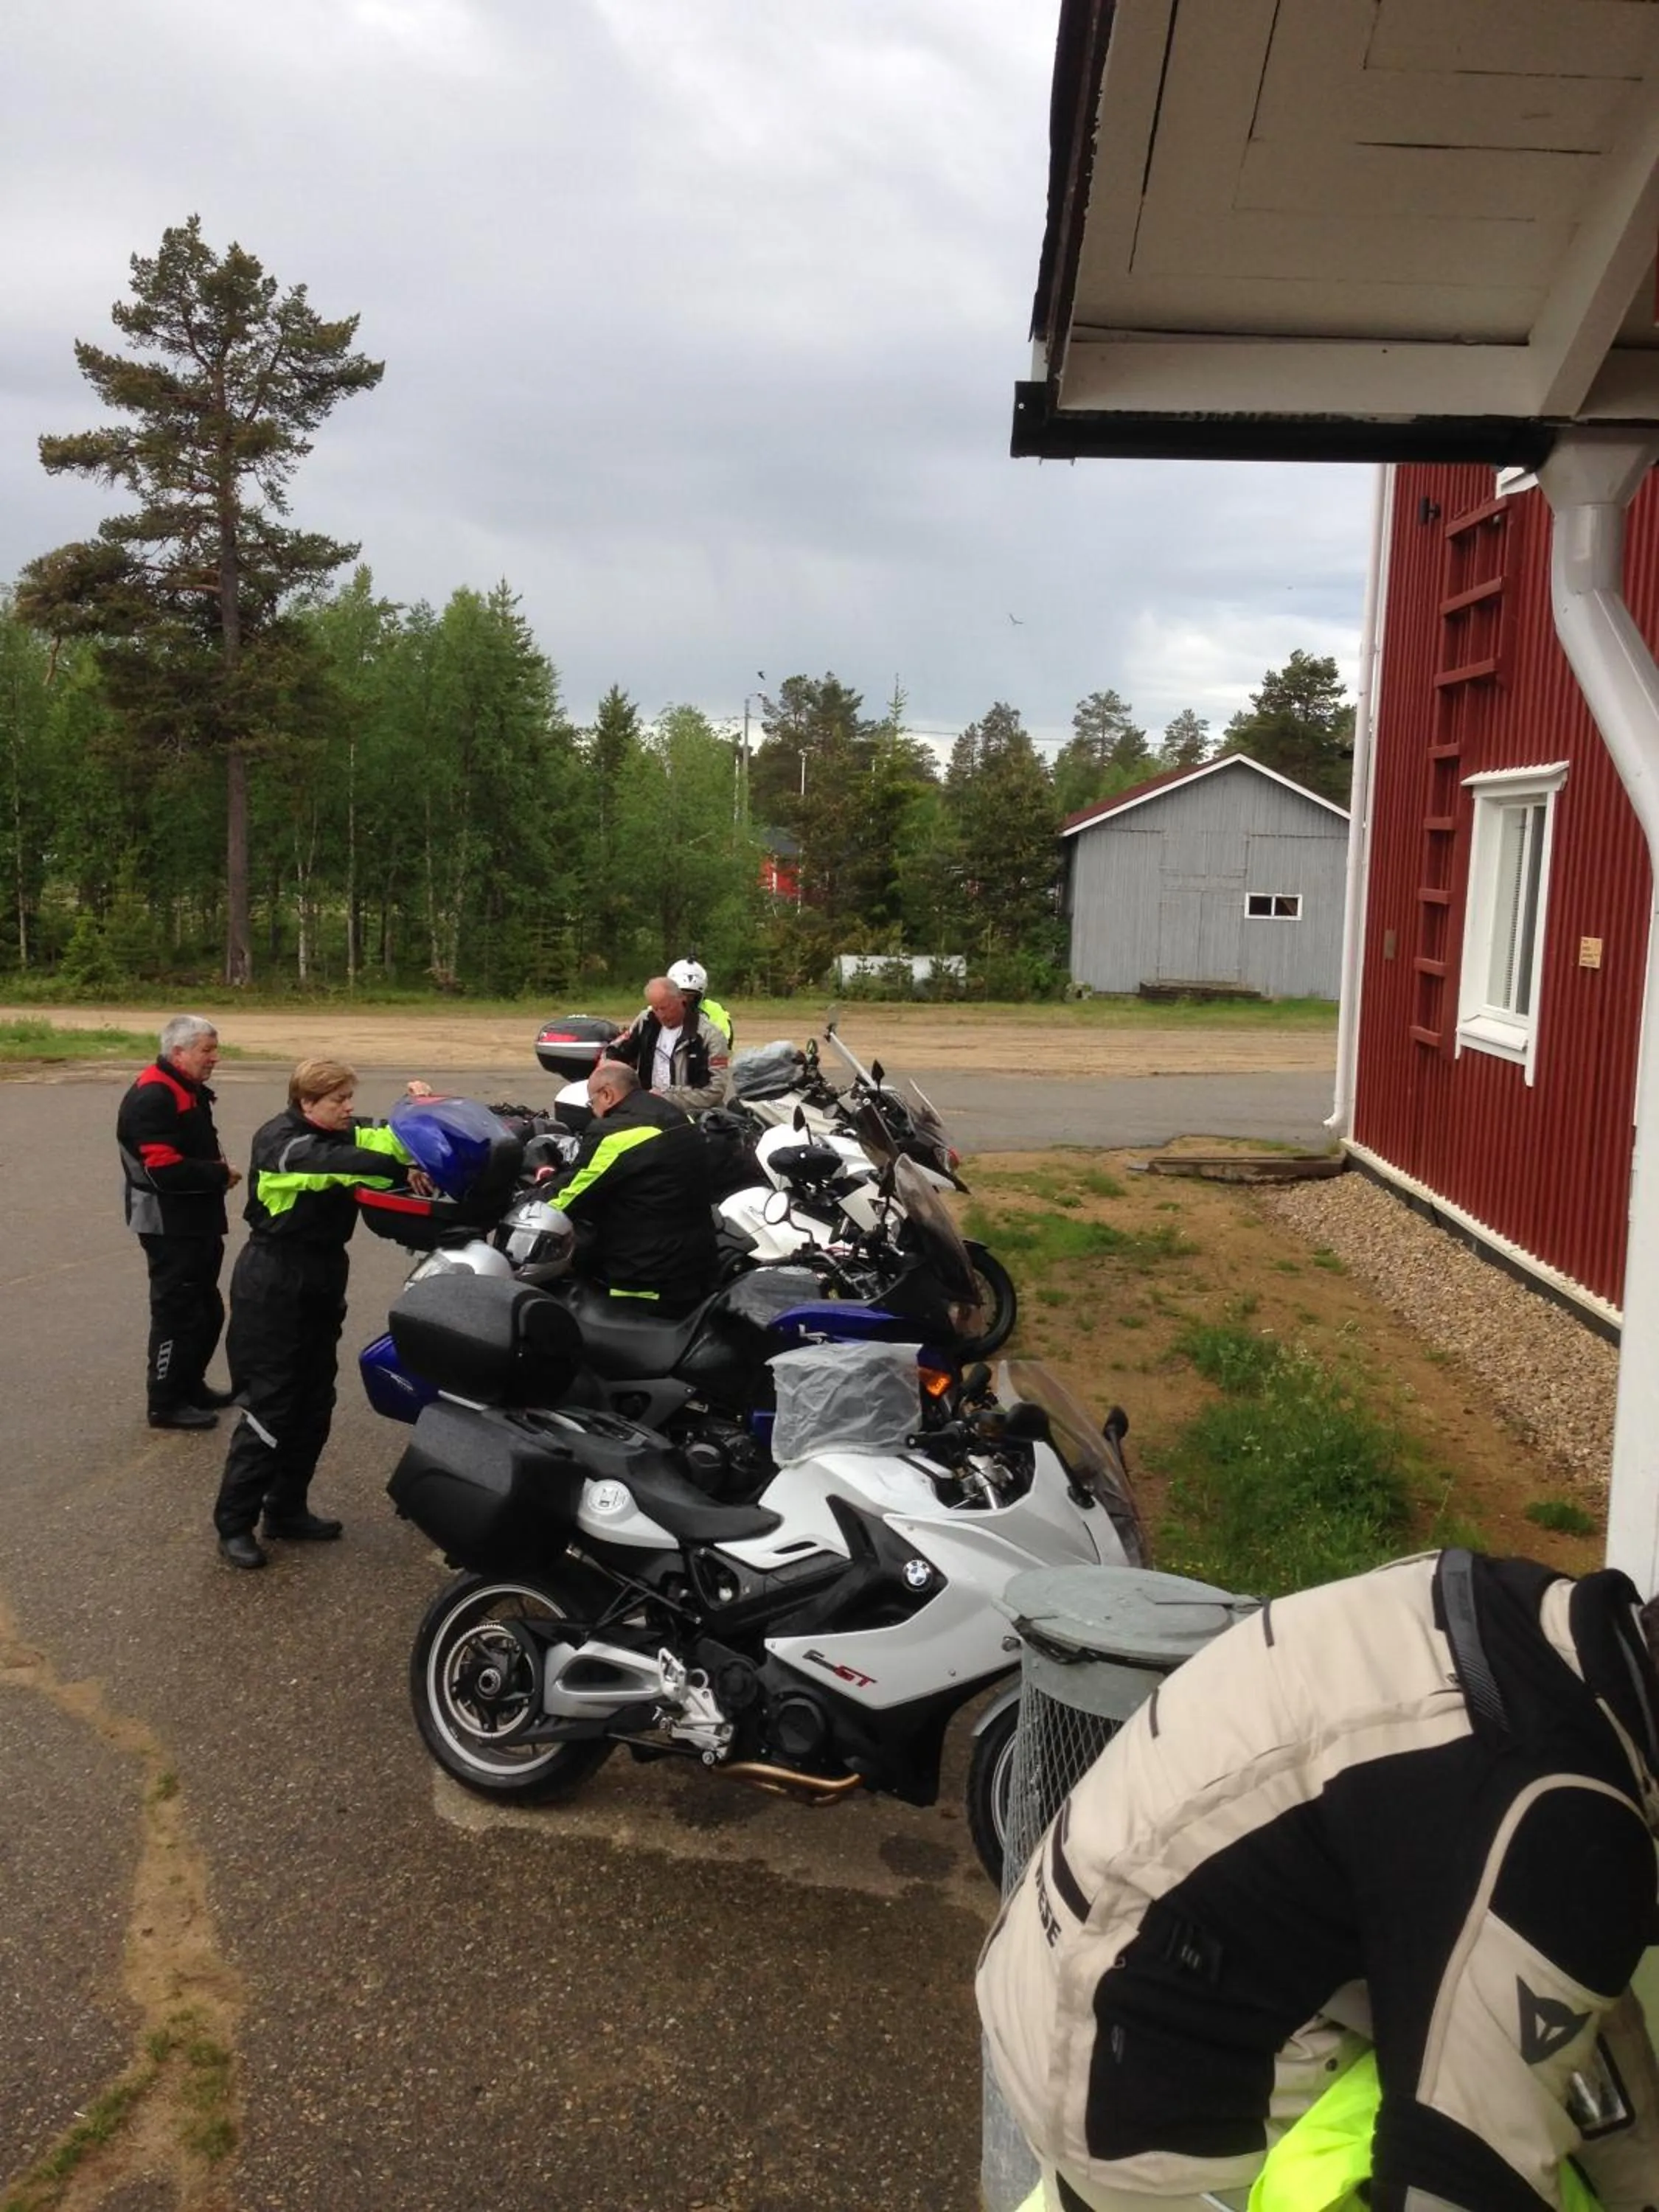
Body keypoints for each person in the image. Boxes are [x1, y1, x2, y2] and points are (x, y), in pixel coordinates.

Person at [977, 1548, 1659, 2212]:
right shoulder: (1559, 1823)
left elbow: (1558, 1976)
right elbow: (1454, 2181)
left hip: (1056, 1974)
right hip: (1133, 2109)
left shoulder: (1518, 1609)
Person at [212, 1059, 431, 1571]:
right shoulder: (282, 1144)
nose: (348, 1108)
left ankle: (286, 1510)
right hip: (273, 1279)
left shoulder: (344, 1128)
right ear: (307, 1103)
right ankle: (233, 1524)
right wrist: (404, 1170)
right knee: (270, 1405)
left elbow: (390, 1140)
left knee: (315, 1401)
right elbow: (343, 1164)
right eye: (338, 1100)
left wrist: (420, 1115)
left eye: (349, 1098)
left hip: (322, 1274)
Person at [116, 1013, 242, 1430]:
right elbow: (161, 1169)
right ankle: (165, 1402)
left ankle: (190, 1385)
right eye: (207, 1050)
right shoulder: (154, 1094)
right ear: (179, 1051)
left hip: (197, 1217)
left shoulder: (185, 1087)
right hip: (167, 1224)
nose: (215, 1058)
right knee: (176, 1312)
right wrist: (218, 1174)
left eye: (214, 1049)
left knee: (206, 1310)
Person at [540, 1060, 717, 1315]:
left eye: (593, 1103)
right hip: (697, 1264)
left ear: (608, 1094)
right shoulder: (677, 1114)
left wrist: (529, 1201)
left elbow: (569, 1197)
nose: (594, 1112)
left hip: (644, 1277)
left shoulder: (616, 1133)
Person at [608, 975, 730, 1113]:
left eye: (665, 1008)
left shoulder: (710, 1036)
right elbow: (615, 1051)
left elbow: (715, 1091)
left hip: (690, 1114)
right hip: (645, 1109)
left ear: (681, 999)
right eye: (656, 1009)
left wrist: (666, 1098)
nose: (661, 1015)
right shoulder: (646, 1022)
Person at [667, 957, 734, 1048]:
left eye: (691, 996)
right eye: (681, 994)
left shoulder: (714, 1011)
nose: (686, 999)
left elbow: (722, 1042)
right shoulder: (657, 1010)